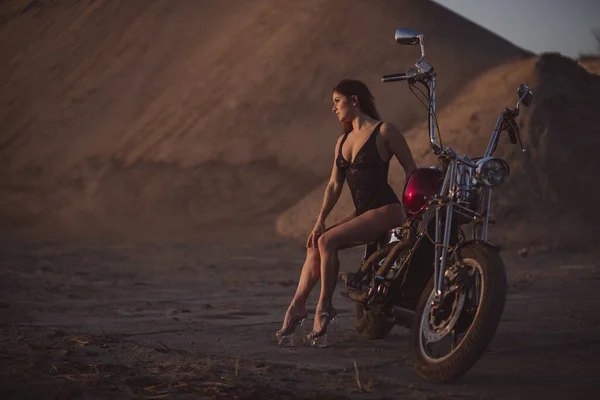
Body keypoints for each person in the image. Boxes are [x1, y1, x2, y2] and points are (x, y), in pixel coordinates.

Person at [275, 78, 417, 346]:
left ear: (355, 100)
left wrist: (412, 212)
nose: (334, 108)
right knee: (316, 243)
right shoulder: (342, 142)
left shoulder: (384, 131)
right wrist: (319, 221)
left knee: (328, 241)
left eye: (337, 101)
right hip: (363, 212)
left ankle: (324, 307)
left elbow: (412, 169)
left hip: (387, 209)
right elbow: (333, 185)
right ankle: (298, 305)